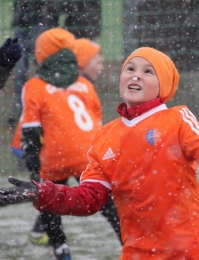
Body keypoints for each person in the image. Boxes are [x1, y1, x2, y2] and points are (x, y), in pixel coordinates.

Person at [0, 46, 199, 259]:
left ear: (164, 85)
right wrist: (40, 192)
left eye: (148, 71)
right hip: (136, 252)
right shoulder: (105, 136)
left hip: (185, 251)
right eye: (130, 68)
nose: (136, 74)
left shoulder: (177, 118)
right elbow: (88, 199)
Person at [10, 28, 121, 260]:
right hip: (88, 155)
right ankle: (129, 239)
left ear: (41, 55)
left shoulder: (34, 85)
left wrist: (33, 165)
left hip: (55, 155)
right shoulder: (85, 84)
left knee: (48, 200)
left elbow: (30, 131)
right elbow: (97, 124)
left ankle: (61, 249)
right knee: (107, 203)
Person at [9, 0, 59, 125]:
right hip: (25, 20)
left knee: (43, 69)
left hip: (39, 20)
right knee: (21, 72)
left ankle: (44, 110)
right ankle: (20, 110)